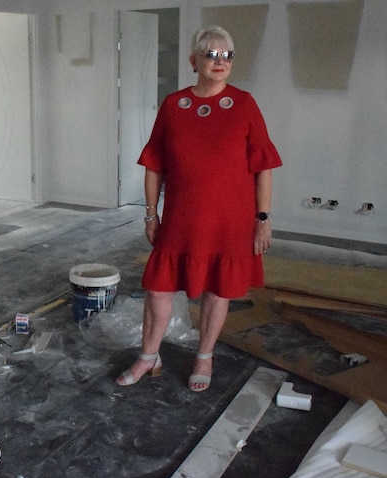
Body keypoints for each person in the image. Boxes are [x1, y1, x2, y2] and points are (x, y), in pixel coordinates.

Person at [116, 26, 282, 391]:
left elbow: (263, 166)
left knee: (217, 290)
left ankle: (204, 356)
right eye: (211, 54)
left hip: (230, 220)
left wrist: (263, 219)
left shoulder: (244, 104)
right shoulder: (174, 106)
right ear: (194, 61)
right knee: (158, 289)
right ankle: (149, 356)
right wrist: (150, 213)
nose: (220, 62)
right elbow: (154, 165)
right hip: (181, 218)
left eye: (227, 55)